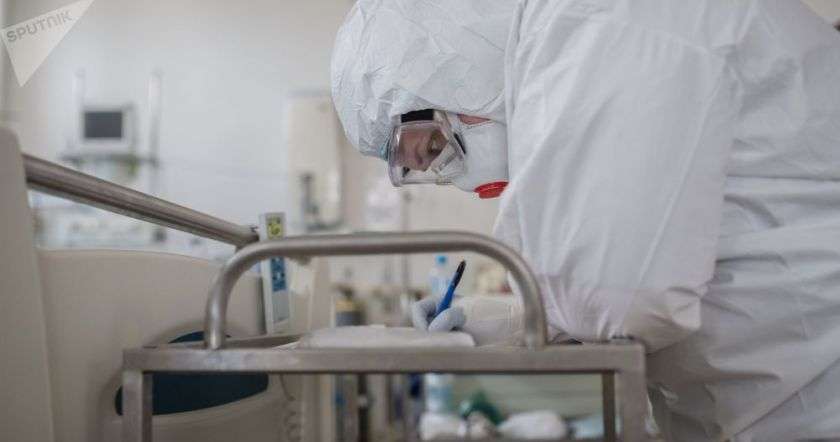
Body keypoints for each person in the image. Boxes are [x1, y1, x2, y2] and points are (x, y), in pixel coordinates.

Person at [331, 0, 840, 440]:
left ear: (460, 69)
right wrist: (509, 320)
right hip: (770, 398)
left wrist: (527, 321)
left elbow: (623, 298)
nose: (458, 177)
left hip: (812, 401)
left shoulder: (603, 19)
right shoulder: (572, 34)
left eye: (434, 147)